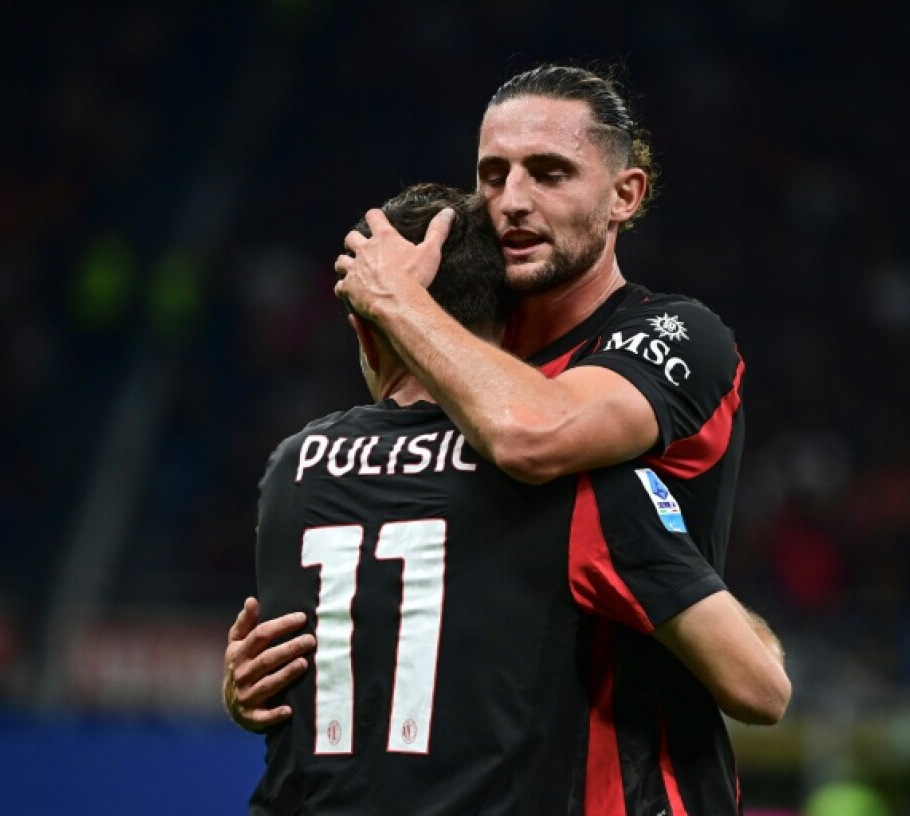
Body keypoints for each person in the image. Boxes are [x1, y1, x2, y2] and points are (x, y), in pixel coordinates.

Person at [241, 182, 788, 815]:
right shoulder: (576, 482)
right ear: (511, 331)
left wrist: (239, 693)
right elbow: (760, 688)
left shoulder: (292, 469)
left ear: (365, 334)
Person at [329, 64, 758, 812]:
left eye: (550, 173)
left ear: (625, 194)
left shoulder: (682, 335)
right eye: (492, 175)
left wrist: (401, 307)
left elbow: (533, 433)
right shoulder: (457, 353)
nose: (512, 202)